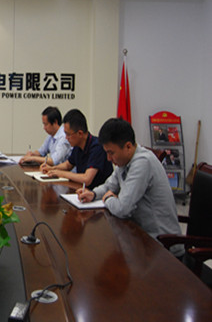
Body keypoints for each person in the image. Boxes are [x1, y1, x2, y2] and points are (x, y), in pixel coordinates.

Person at [77, 118, 184, 257]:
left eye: (111, 153)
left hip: (162, 247)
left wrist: (108, 198)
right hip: (140, 236)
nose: (108, 159)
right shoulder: (125, 160)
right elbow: (110, 185)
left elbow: (123, 209)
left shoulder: (142, 163)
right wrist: (93, 194)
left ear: (128, 146)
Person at [41, 109, 113, 188]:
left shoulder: (97, 147)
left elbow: (87, 179)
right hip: (83, 190)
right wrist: (52, 169)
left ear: (80, 133)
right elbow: (68, 165)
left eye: (68, 134)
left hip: (99, 193)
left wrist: (61, 173)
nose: (66, 138)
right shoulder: (77, 145)